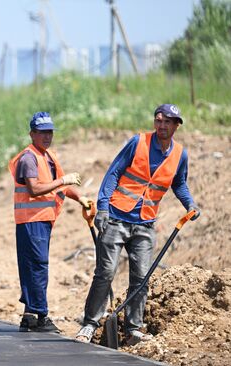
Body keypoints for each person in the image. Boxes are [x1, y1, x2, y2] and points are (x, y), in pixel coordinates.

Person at [75, 104, 200, 345]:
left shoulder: (179, 154)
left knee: (141, 277)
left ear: (176, 126)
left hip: (145, 224)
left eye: (168, 122)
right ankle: (90, 324)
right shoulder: (138, 142)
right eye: (159, 120)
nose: (162, 125)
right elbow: (113, 173)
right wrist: (102, 207)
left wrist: (190, 204)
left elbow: (179, 184)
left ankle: (133, 328)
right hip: (116, 217)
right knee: (105, 273)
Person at [8, 112, 92, 333]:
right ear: (32, 134)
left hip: (42, 221)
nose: (47, 136)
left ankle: (29, 315)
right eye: (42, 132)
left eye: (50, 132)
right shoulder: (29, 158)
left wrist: (79, 198)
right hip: (31, 221)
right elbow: (35, 189)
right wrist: (63, 180)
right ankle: (41, 315)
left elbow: (58, 186)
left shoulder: (47, 156)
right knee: (38, 267)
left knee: (32, 266)